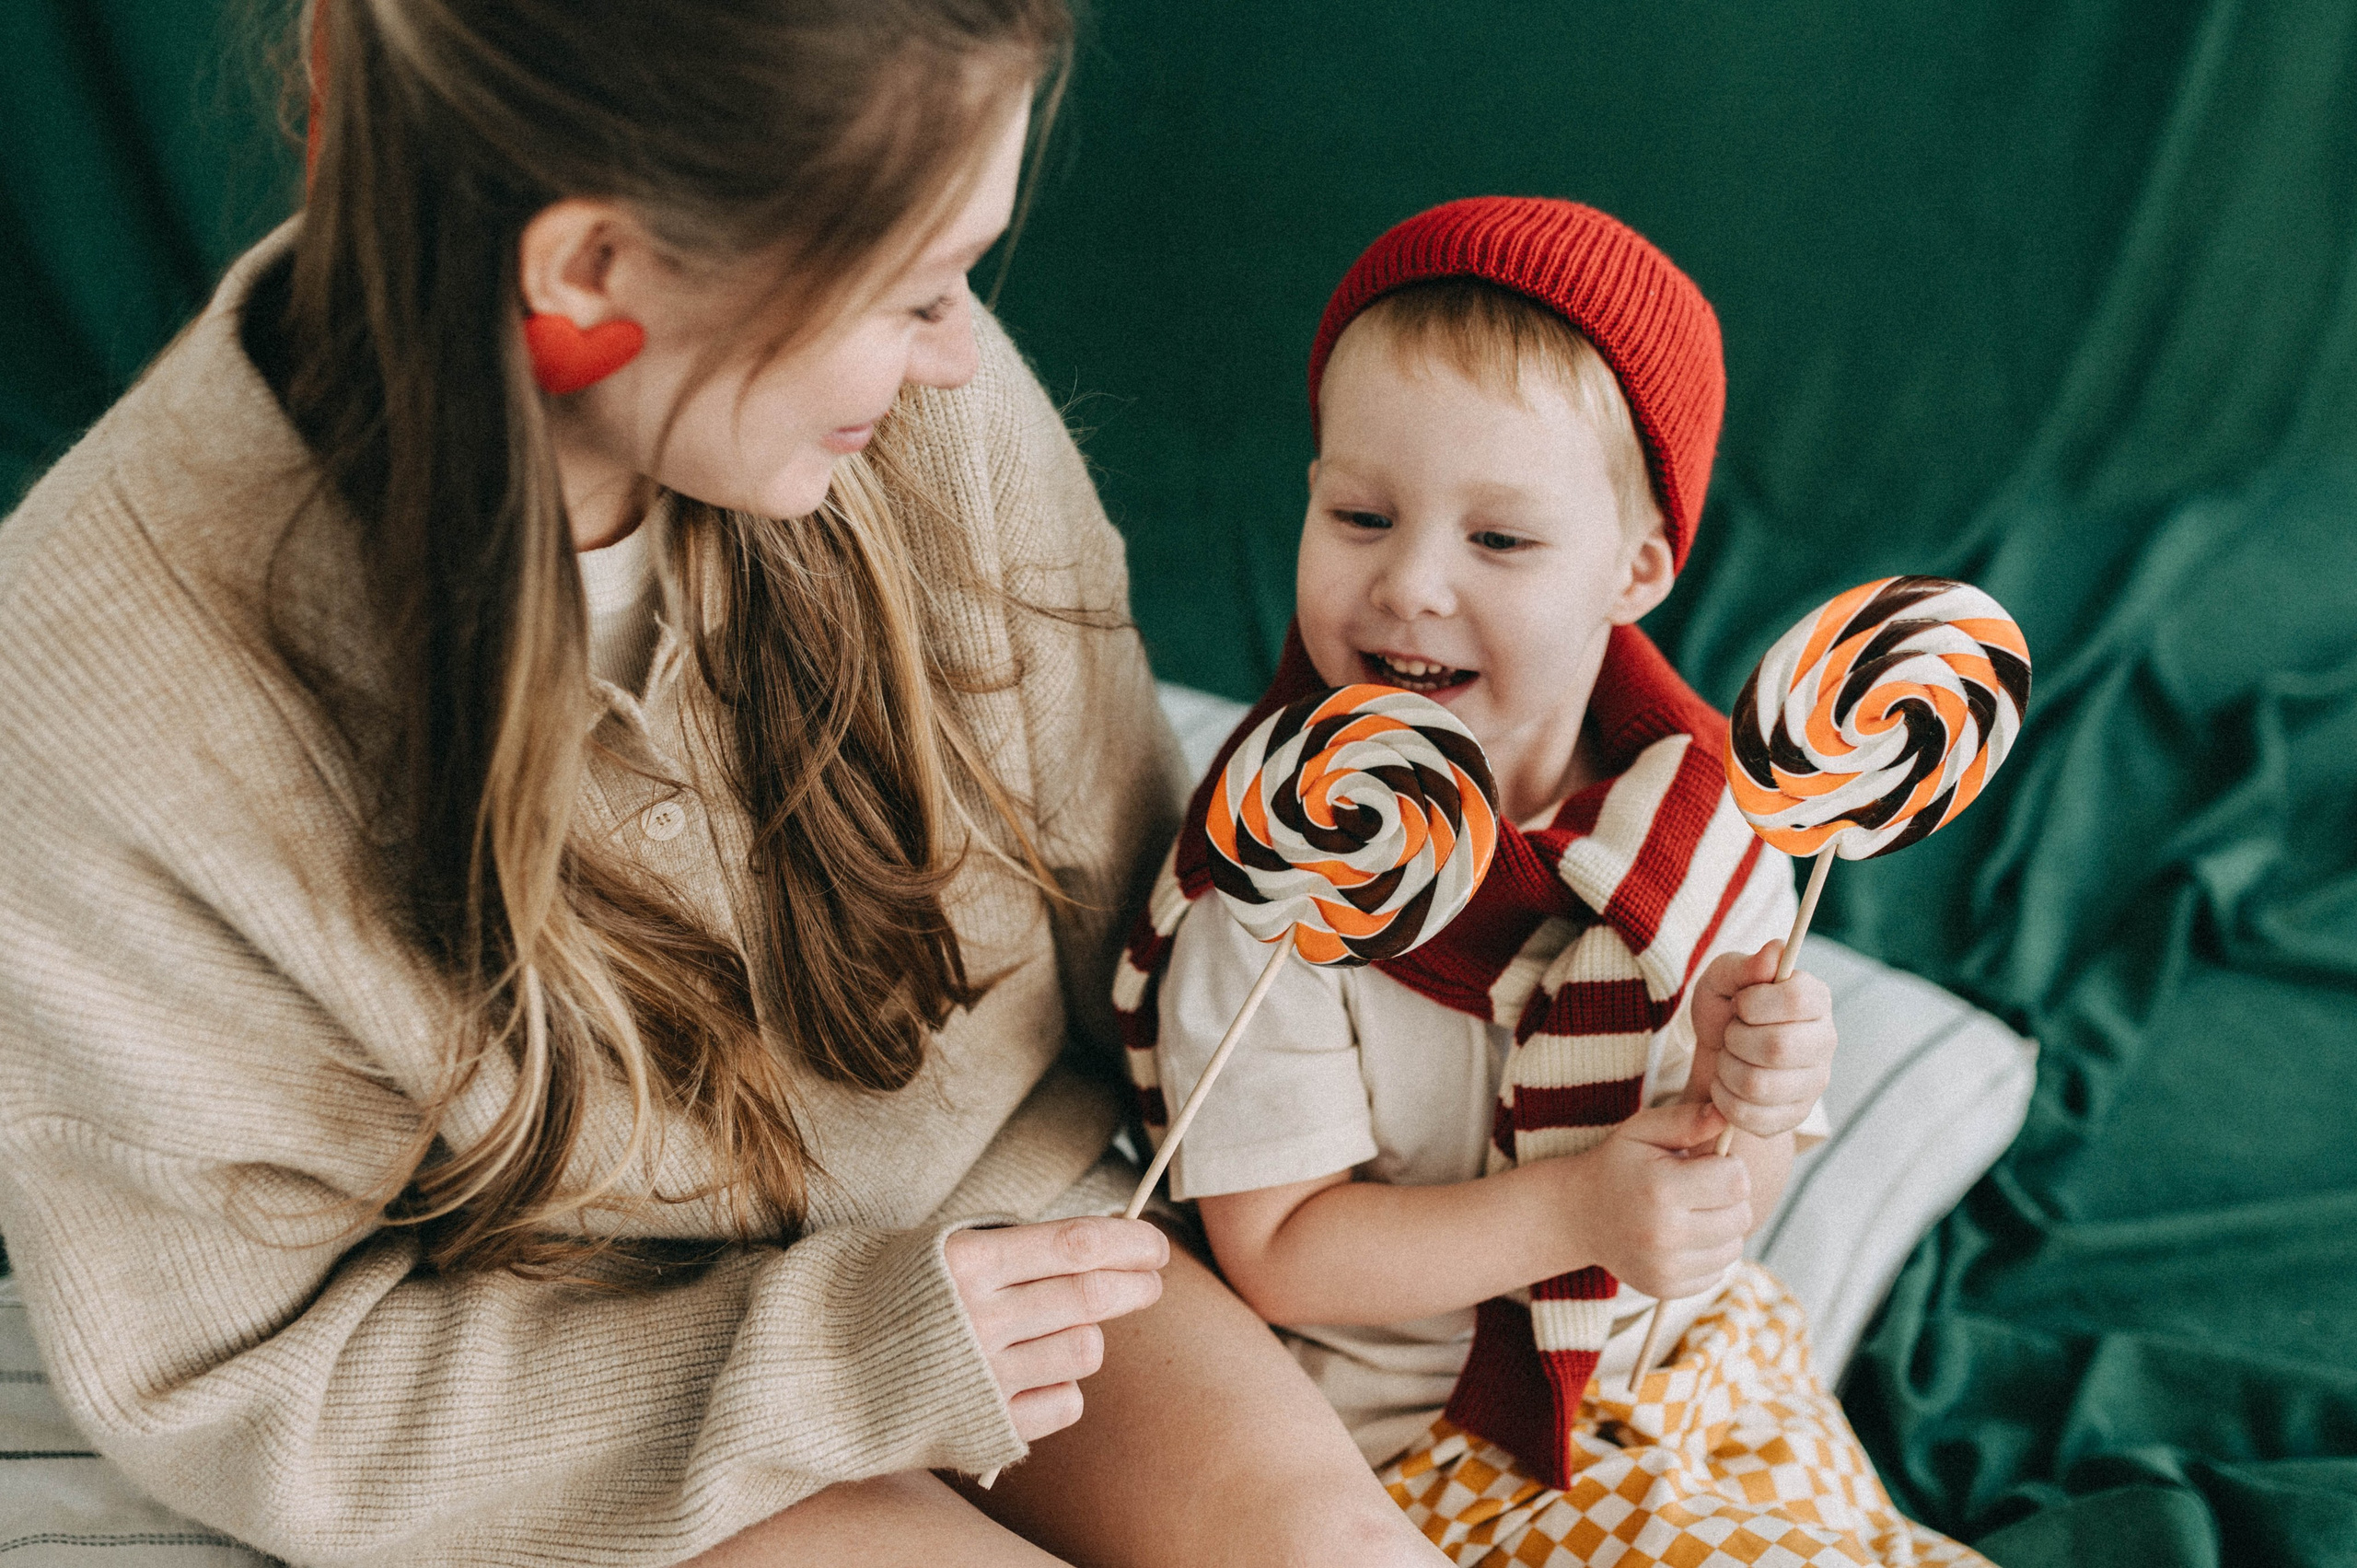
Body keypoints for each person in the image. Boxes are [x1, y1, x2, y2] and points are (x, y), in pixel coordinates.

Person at [0, 2, 1448, 1562]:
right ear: (592, 273)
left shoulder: (929, 414)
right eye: (909, 291)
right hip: (572, 1391)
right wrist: (839, 1362)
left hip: (1007, 1234)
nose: (962, 349)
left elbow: (1151, 926)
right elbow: (256, 1381)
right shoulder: (101, 700)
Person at [1126, 198, 1993, 1566]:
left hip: (1696, 1372)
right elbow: (1280, 1248)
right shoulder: (1283, 868)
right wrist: (1580, 1211)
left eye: (1501, 542)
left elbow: (1728, 1192)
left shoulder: (1716, 829)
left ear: (1637, 569)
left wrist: (1752, 1098)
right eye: (1361, 514)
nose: (1410, 583)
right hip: (1417, 1447)